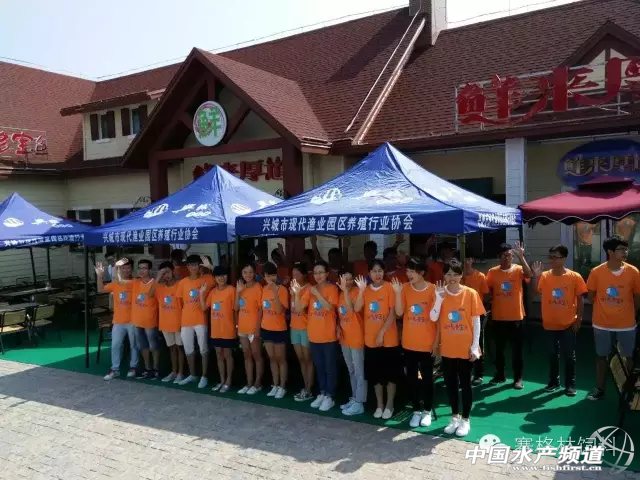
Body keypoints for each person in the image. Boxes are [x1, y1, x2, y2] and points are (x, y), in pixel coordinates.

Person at [430, 260, 485, 437]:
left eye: (455, 274)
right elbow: (433, 317)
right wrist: (439, 299)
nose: (452, 277)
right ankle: (455, 417)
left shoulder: (470, 293)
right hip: (448, 348)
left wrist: (475, 346)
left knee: (465, 384)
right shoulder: (439, 292)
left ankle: (466, 419)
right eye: (448, 274)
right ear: (444, 275)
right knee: (451, 384)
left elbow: (476, 322)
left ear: (461, 275)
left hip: (465, 348)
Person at [585, 235, 640, 401]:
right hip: (602, 324)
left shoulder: (633, 272)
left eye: (626, 249)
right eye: (621, 249)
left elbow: (637, 296)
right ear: (610, 252)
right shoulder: (596, 272)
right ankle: (600, 389)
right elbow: (591, 297)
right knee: (601, 357)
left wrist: (633, 314)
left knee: (629, 358)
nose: (625, 252)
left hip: (627, 324)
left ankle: (628, 391)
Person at [531, 245, 587, 397]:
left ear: (564, 258)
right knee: (552, 354)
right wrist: (536, 276)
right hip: (550, 324)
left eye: (556, 257)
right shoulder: (545, 276)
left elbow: (580, 299)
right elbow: (535, 292)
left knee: (569, 355)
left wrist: (579, 319)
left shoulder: (574, 276)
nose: (552, 260)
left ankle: (570, 385)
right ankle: (554, 382)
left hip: (569, 323)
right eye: (551, 257)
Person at [392, 257, 437, 428]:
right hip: (409, 342)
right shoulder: (404, 288)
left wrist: (437, 342)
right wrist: (397, 293)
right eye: (407, 270)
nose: (408, 274)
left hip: (427, 343)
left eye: (412, 271)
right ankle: (416, 410)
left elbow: (437, 318)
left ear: (422, 272)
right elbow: (399, 312)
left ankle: (427, 411)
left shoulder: (433, 289)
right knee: (411, 378)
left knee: (427, 378)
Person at [354, 259, 401, 420]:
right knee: (375, 375)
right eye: (374, 271)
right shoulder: (366, 290)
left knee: (390, 375)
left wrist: (381, 333)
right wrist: (361, 291)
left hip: (389, 340)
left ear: (384, 272)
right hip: (371, 340)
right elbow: (357, 308)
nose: (377, 274)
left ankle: (390, 405)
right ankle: (379, 405)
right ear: (369, 274)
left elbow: (392, 314)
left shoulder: (389, 288)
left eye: (380, 270)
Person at [486, 242, 532, 389]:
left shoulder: (518, 269)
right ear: (499, 257)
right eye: (504, 255)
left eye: (510, 255)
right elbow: (487, 291)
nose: (508, 258)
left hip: (516, 317)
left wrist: (521, 257)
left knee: (517, 350)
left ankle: (518, 378)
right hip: (498, 317)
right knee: (499, 349)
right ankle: (500, 375)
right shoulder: (492, 272)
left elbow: (529, 274)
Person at [300, 260, 340, 411]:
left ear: (327, 273)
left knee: (329, 367)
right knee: (319, 366)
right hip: (314, 335)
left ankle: (330, 396)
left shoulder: (332, 288)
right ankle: (322, 392)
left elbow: (329, 307)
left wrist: (317, 293)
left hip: (328, 335)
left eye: (321, 272)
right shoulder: (310, 289)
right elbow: (299, 308)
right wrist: (297, 294)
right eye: (315, 273)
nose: (318, 275)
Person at [97, 258, 138, 381]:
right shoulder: (116, 283)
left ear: (132, 269)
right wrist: (99, 275)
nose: (126, 270)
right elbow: (100, 289)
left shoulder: (136, 282)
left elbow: (121, 281)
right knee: (115, 345)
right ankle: (115, 369)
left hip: (133, 320)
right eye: (123, 268)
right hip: (118, 321)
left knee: (134, 345)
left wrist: (116, 267)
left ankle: (133, 367)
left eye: (128, 267)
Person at [176, 254, 214, 388]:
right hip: (186, 320)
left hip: (201, 319)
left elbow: (220, 278)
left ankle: (204, 376)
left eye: (195, 265)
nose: (193, 267)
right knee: (188, 348)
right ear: (187, 267)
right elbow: (180, 303)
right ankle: (192, 375)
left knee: (203, 348)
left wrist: (210, 267)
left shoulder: (207, 278)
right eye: (191, 265)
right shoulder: (182, 282)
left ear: (199, 266)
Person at [202, 266, 236, 393]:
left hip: (228, 329)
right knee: (219, 355)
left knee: (227, 355)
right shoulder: (213, 292)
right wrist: (201, 293)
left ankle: (229, 381)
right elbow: (204, 307)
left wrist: (236, 327)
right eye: (218, 276)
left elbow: (236, 310)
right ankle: (222, 380)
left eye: (224, 275)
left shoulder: (232, 290)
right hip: (216, 330)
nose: (221, 278)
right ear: (214, 278)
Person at [337, 269, 366, 416]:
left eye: (349, 279)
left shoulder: (356, 292)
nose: (347, 282)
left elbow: (352, 309)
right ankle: (354, 398)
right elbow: (340, 314)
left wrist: (345, 291)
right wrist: (338, 327)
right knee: (351, 370)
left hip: (356, 336)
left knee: (359, 371)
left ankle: (360, 403)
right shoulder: (340, 294)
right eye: (344, 279)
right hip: (345, 338)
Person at [150, 262, 185, 383]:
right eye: (163, 273)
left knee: (179, 348)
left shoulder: (180, 284)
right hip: (165, 323)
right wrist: (157, 277)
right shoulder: (159, 287)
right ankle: (174, 372)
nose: (166, 276)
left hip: (179, 322)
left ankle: (181, 373)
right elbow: (150, 294)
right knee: (171, 348)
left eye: (168, 272)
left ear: (173, 271)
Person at [261, 262, 289, 399]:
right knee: (272, 358)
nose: (270, 278)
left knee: (280, 359)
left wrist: (275, 293)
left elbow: (279, 310)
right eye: (267, 276)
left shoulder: (282, 289)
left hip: (279, 328)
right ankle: (275, 384)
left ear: (276, 275)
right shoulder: (263, 289)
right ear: (264, 277)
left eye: (272, 275)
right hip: (266, 328)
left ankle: (282, 386)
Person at [462, 251, 490, 386]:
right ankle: (464, 373)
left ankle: (479, 374)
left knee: (477, 342)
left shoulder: (480, 276)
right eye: (463, 258)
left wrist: (483, 312)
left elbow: (486, 294)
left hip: (475, 315)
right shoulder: (457, 277)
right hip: (460, 316)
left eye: (468, 258)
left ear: (472, 260)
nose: (466, 261)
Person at [236, 263, 264, 395]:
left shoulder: (258, 288)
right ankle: (249, 383)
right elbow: (236, 308)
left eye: (251, 272)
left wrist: (257, 329)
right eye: (245, 272)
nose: (248, 275)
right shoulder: (240, 287)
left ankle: (258, 383)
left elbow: (260, 310)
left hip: (253, 328)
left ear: (255, 273)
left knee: (256, 355)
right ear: (242, 274)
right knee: (246, 355)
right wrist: (238, 292)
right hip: (242, 327)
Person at [289, 262, 314, 402]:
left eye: (297, 274)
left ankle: (310, 389)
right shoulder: (292, 287)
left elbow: (301, 308)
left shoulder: (309, 289)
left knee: (308, 359)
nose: (295, 277)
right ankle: (305, 386)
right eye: (293, 274)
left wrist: (296, 294)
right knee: (301, 359)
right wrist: (293, 293)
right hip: (294, 327)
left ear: (304, 275)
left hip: (306, 328)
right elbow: (293, 308)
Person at [132, 259, 160, 380]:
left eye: (144, 268)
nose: (141, 270)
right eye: (140, 268)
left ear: (149, 270)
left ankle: (156, 369)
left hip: (150, 321)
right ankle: (147, 368)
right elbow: (120, 281)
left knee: (153, 345)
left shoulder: (155, 283)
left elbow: (153, 296)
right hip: (137, 320)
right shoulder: (135, 282)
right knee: (142, 346)